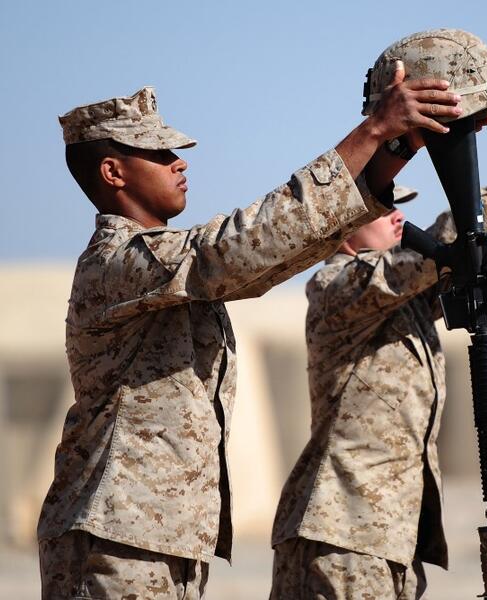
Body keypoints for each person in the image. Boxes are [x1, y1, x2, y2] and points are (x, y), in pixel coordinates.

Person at [37, 72, 463, 600]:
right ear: (112, 171)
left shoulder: (167, 275)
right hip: (115, 538)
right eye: (160, 151)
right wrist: (373, 130)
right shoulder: (119, 262)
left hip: (156, 537)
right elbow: (239, 245)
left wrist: (399, 144)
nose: (180, 161)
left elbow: (277, 252)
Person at [269, 29, 487, 600]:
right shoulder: (338, 287)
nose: (394, 213)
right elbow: (448, 239)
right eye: (380, 204)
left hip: (388, 535)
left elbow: (486, 251)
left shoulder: (403, 297)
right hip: (340, 534)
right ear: (338, 233)